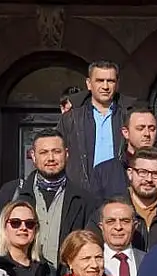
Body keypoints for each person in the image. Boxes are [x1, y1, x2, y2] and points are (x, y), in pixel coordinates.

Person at [0, 129, 100, 268]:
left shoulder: (85, 200)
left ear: (66, 154)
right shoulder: (12, 192)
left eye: (56, 151)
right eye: (43, 152)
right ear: (33, 156)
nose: (51, 158)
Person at [56, 60, 137, 189]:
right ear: (89, 84)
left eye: (110, 81)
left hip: (120, 190)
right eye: (100, 80)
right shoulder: (71, 118)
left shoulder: (129, 116)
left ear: (117, 84)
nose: (105, 86)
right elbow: (57, 153)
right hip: (81, 191)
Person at [90, 105, 157, 202]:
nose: (147, 134)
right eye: (140, 128)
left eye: (152, 129)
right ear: (125, 132)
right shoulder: (104, 172)